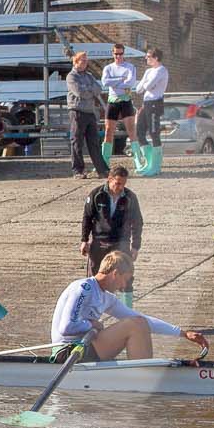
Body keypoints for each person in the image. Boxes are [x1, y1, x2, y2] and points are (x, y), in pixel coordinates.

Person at [49, 251, 207, 362]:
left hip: (84, 347)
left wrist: (183, 333)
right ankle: (142, 376)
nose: (124, 285)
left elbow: (144, 320)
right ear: (115, 273)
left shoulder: (107, 298)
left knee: (139, 321)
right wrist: (92, 324)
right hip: (67, 352)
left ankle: (141, 371)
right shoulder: (84, 288)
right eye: (125, 279)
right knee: (134, 325)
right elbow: (66, 327)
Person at [80, 165, 143, 276]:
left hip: (121, 242)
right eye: (117, 183)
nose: (120, 187)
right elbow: (87, 217)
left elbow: (137, 222)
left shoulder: (130, 197)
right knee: (95, 277)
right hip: (99, 242)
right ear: (109, 179)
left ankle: (125, 295)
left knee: (125, 277)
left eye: (123, 184)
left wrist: (135, 246)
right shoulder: (96, 195)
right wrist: (84, 240)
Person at [64, 50, 107, 179]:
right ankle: (78, 170)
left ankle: (101, 170)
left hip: (90, 112)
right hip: (77, 111)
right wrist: (90, 91)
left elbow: (98, 89)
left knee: (94, 142)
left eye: (86, 60)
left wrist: (89, 89)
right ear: (76, 62)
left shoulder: (89, 76)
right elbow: (79, 92)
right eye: (83, 60)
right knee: (77, 141)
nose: (85, 63)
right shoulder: (71, 76)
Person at [131, 48, 170, 177]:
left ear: (156, 58)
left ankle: (155, 166)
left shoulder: (161, 70)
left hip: (155, 103)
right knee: (139, 132)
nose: (146, 59)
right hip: (146, 103)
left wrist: (146, 84)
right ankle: (148, 163)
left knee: (154, 133)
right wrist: (146, 83)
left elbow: (147, 86)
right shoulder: (148, 71)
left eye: (148, 57)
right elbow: (138, 89)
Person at [99, 50, 139, 162]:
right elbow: (105, 82)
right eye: (116, 54)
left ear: (123, 54)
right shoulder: (108, 68)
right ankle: (104, 161)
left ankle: (138, 160)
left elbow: (130, 83)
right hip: (112, 101)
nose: (118, 56)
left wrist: (114, 83)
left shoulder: (130, 67)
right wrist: (121, 79)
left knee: (131, 130)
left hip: (126, 101)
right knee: (108, 130)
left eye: (120, 54)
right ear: (113, 54)